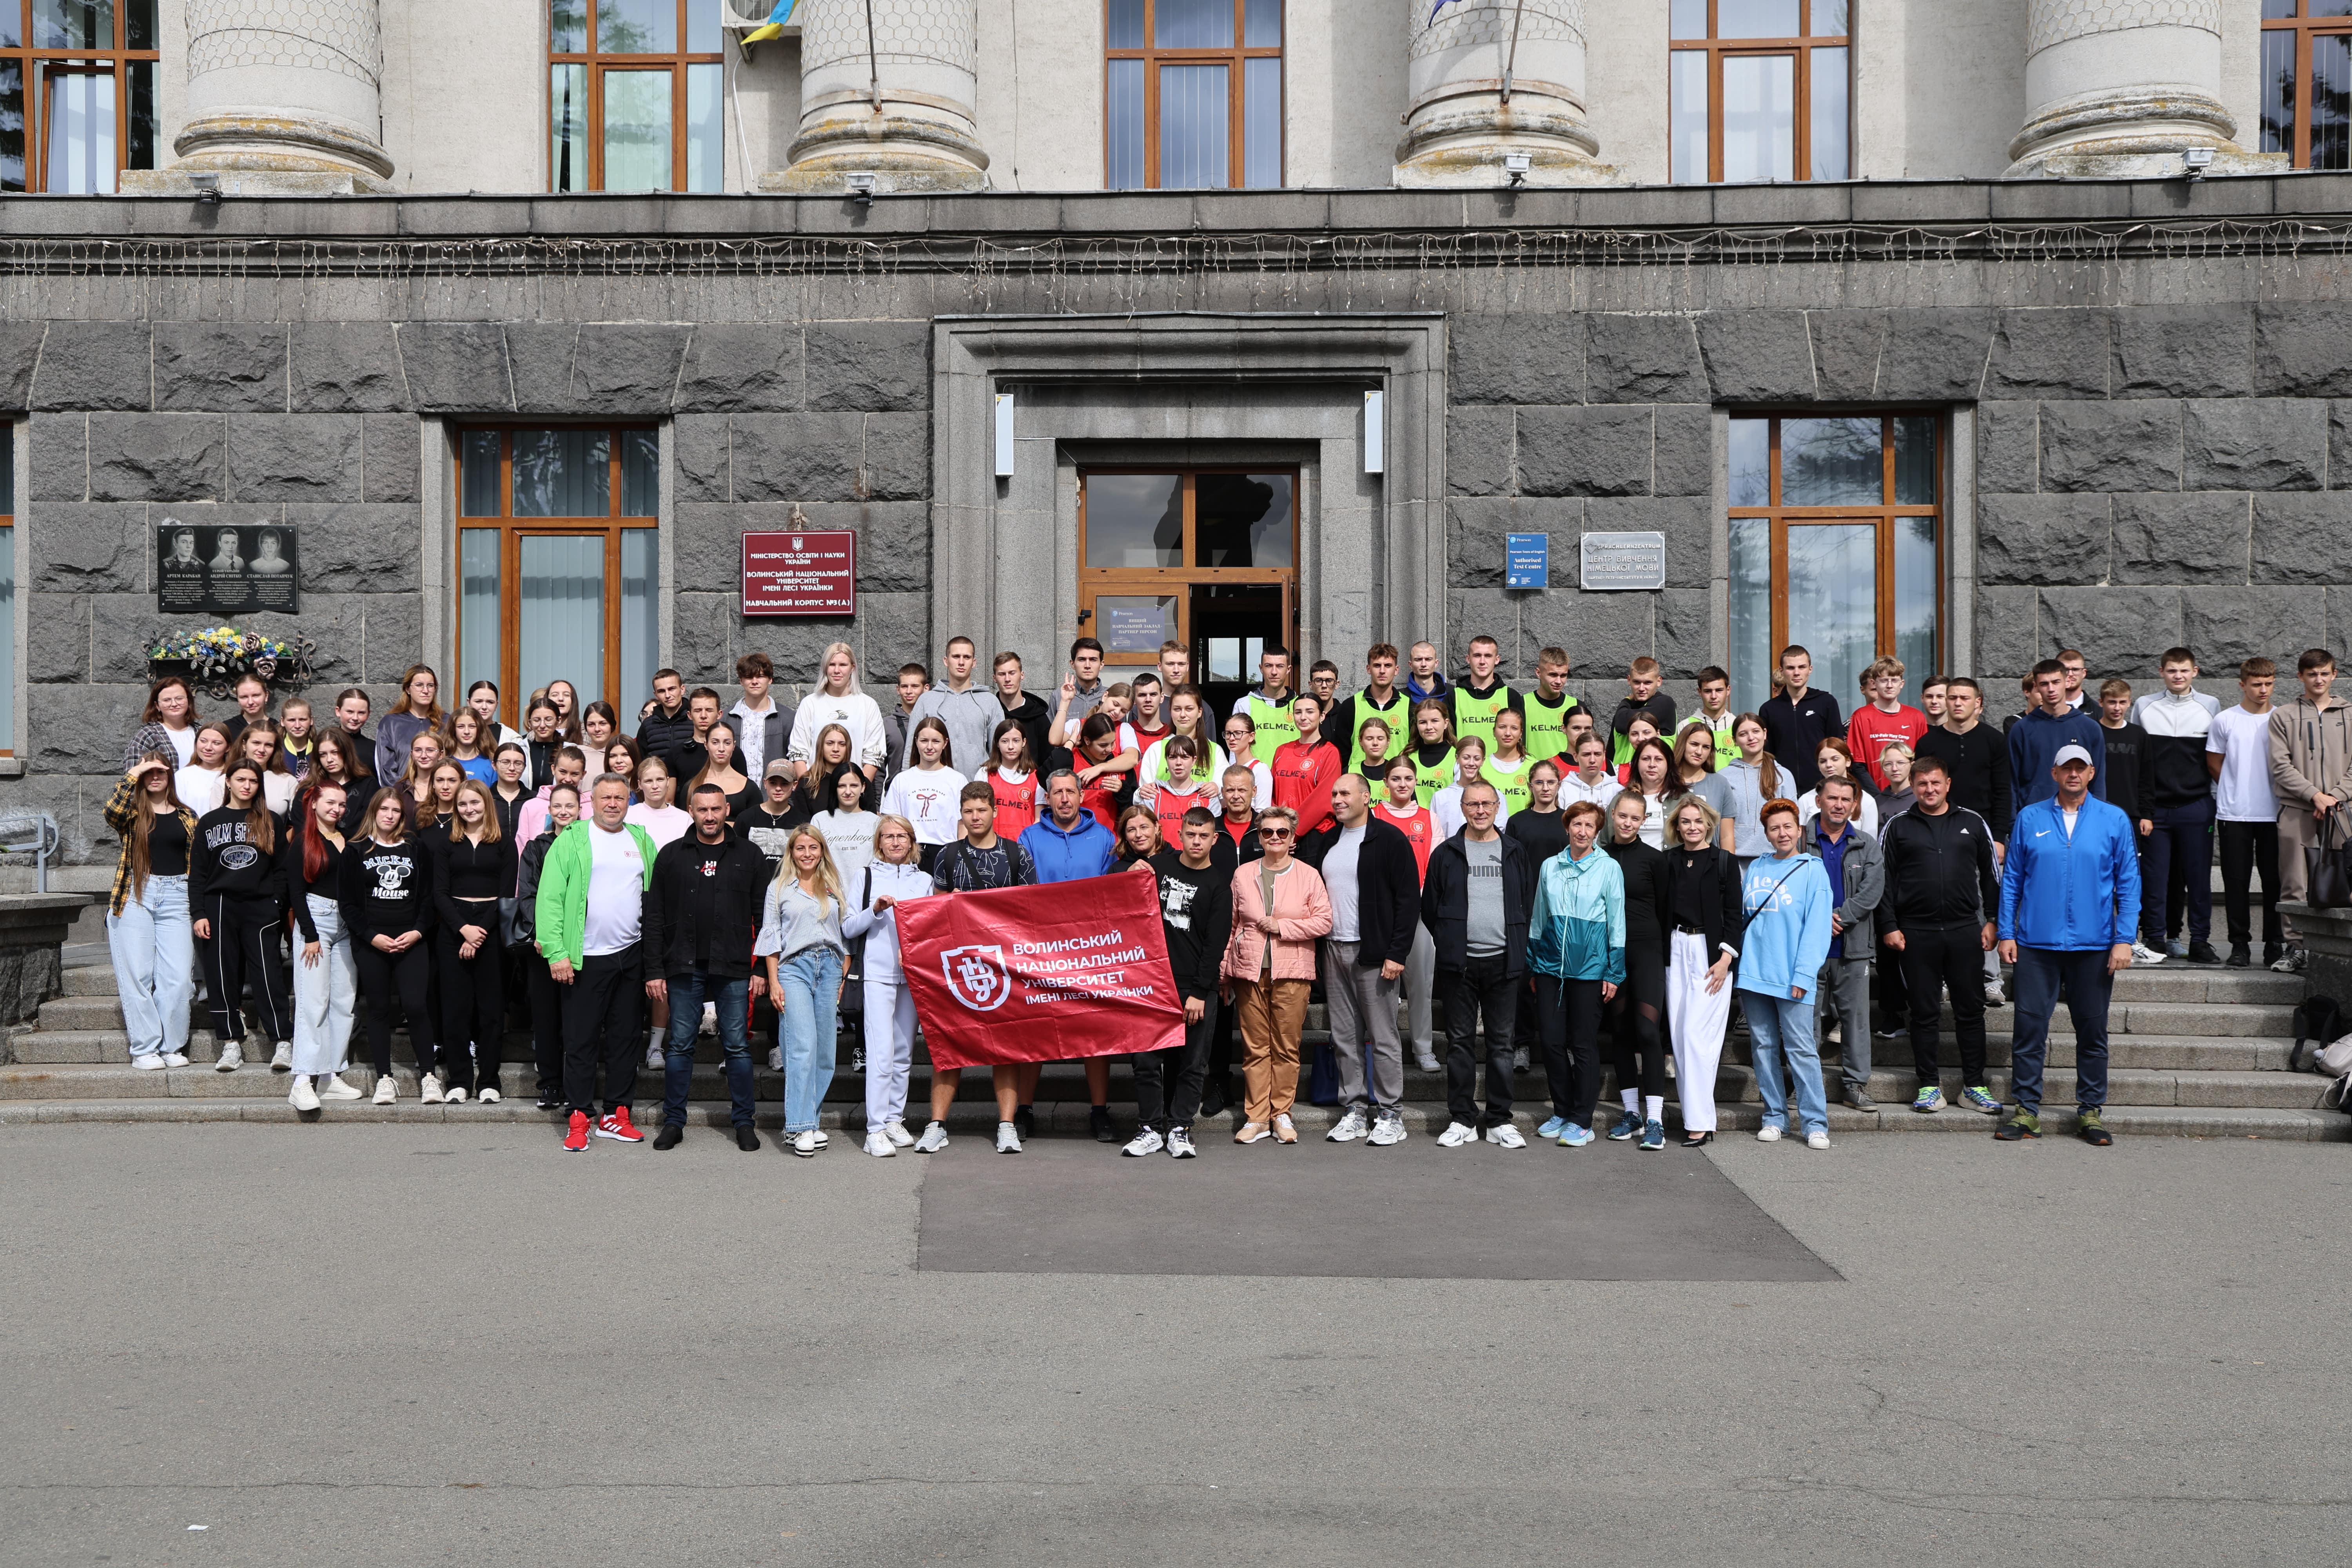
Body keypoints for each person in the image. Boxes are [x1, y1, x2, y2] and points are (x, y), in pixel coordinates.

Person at [1996, 743, 2139, 1145]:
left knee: (2092, 1031)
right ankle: (2027, 1111)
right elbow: (2013, 880)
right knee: (2029, 1030)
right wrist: (2007, 931)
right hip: (2036, 944)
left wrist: (2124, 938)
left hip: (2094, 945)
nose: (2073, 774)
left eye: (2081, 768)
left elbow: (2129, 883)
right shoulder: (2031, 817)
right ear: (2055, 773)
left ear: (2091, 773)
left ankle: (2090, 1112)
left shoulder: (2114, 819)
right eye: (2066, 768)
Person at [643, 783, 768, 1153]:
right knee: (680, 1045)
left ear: (727, 810)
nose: (710, 817)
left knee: (738, 1046)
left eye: (716, 809)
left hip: (733, 964)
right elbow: (654, 916)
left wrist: (762, 968)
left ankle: (744, 1122)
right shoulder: (671, 855)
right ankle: (674, 1122)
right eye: (703, 810)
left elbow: (764, 917)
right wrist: (654, 970)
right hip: (683, 964)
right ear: (691, 811)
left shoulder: (750, 854)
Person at [536, 775, 657, 1152]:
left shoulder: (641, 840)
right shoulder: (572, 839)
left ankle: (616, 1115)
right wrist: (557, 952)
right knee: (581, 1041)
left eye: (620, 798)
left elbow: (653, 897)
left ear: (628, 801)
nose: (613, 804)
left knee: (625, 1040)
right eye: (606, 798)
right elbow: (550, 898)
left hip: (630, 956)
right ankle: (579, 1117)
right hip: (584, 958)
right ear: (593, 802)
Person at [918, 782, 1038, 1155]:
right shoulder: (948, 855)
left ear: (995, 812)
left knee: (1006, 1048)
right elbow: (935, 911)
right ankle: (937, 1125)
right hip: (959, 964)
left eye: (982, 810)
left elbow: (1030, 910)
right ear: (961, 814)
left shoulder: (1017, 854)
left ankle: (1007, 1126)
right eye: (969, 811)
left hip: (1006, 965)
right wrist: (949, 904)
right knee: (950, 1044)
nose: (975, 817)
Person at [1878, 754, 2002, 1116]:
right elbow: (1883, 880)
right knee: (1924, 1012)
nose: (1929, 789)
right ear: (1913, 786)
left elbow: (1992, 875)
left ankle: (1974, 1086)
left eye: (1936, 783)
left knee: (1971, 1011)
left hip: (1965, 930)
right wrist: (1889, 925)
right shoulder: (1899, 826)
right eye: (1922, 784)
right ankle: (1929, 1085)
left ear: (1948, 784)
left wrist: (1993, 920)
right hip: (1916, 933)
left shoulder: (1972, 822)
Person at [1301, 775, 1420, 1146]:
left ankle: (1390, 1114)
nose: (1337, 800)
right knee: (1344, 1037)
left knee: (1383, 1038)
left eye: (1345, 793)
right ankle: (1354, 1110)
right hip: (1333, 949)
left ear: (1366, 797)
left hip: (1374, 953)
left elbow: (1408, 900)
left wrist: (1397, 953)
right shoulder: (1328, 840)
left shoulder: (1390, 839)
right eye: (1334, 794)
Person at [1017, 769, 1123, 1140]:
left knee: (1095, 1033)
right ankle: (1024, 1110)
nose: (1064, 799)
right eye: (1057, 792)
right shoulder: (1029, 837)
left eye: (1070, 792)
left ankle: (1100, 1111)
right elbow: (1022, 892)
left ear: (1081, 795)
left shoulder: (1104, 837)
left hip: (1089, 950)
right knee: (1035, 1032)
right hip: (1042, 949)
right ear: (1048, 798)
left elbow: (1113, 892)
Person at [1126, 808, 1236, 1159]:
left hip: (1195, 988)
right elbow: (1122, 896)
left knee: (1192, 1062)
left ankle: (1180, 1128)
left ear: (1214, 839)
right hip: (1153, 984)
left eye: (1204, 836)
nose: (1197, 842)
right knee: (1145, 1061)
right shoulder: (1158, 867)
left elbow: (1215, 945)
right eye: (1191, 835)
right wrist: (1130, 872)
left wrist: (1201, 992)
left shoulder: (1219, 886)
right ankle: (1149, 1128)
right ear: (1180, 835)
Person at [1220, 804, 1332, 1146]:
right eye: (1267, 832)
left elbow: (1324, 921)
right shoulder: (1243, 874)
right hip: (1249, 971)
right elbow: (1232, 925)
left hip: (1293, 971)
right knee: (1255, 1048)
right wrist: (1225, 972)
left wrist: (1282, 926)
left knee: (1286, 1047)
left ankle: (1282, 1113)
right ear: (1259, 836)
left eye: (1282, 832)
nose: (1275, 838)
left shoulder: (1308, 875)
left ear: (1292, 836)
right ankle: (1256, 1117)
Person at [1521, 796, 1619, 1147]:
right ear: (1567, 827)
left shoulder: (1609, 868)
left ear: (1597, 831)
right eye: (1577, 824)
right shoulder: (1550, 866)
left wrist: (1614, 971)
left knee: (1583, 1044)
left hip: (1590, 970)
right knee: (1550, 1041)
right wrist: (1535, 963)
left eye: (1589, 825)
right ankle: (1562, 1111)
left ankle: (1582, 1120)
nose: (1582, 831)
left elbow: (1617, 922)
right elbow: (1538, 917)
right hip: (1550, 968)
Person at [1738, 800, 1836, 1149]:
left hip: (1793, 976)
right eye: (1774, 828)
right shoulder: (1757, 867)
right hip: (1754, 973)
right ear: (1766, 834)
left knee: (1802, 1050)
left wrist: (1804, 975)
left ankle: (1815, 1123)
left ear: (1799, 830)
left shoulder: (1813, 870)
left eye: (1787, 827)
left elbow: (1818, 929)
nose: (1782, 834)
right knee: (1764, 1048)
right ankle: (1774, 1117)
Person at [191, 760, 293, 1075]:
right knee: (221, 975)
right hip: (220, 903)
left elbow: (282, 869)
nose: (247, 786)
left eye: (253, 781)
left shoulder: (270, 820)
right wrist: (198, 913)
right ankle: (231, 1041)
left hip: (260, 905)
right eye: (241, 779)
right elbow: (198, 873)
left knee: (268, 973)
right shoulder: (210, 822)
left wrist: (276, 903)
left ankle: (282, 1040)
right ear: (228, 782)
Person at [340, 788, 438, 1106]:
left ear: (402, 815)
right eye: (384, 809)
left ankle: (429, 1076)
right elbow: (348, 903)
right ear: (374, 811)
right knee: (379, 1008)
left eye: (396, 810)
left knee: (416, 1006)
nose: (390, 815)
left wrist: (418, 932)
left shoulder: (415, 847)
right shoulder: (355, 850)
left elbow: (428, 897)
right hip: (372, 943)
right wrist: (371, 936)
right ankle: (384, 1078)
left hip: (411, 940)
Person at [840, 815, 931, 1156]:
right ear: (879, 842)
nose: (895, 842)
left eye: (902, 836)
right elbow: (849, 927)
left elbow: (929, 928)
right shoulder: (864, 876)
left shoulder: (924, 880)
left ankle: (894, 1118)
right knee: (881, 1053)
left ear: (912, 841)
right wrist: (875, 910)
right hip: (877, 975)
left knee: (904, 1053)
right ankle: (875, 1129)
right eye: (888, 836)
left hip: (912, 976)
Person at [106, 753, 200, 1071]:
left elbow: (198, 863)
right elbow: (111, 810)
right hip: (137, 894)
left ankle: (171, 1046)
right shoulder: (132, 813)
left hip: (178, 896)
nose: (155, 776)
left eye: (161, 770)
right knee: (138, 976)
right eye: (149, 771)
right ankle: (144, 1049)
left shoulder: (188, 816)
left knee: (178, 979)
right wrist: (136, 771)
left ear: (171, 774)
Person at [1662, 797, 1742, 1146]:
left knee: (1697, 1037)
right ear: (1677, 827)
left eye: (1698, 821)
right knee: (1681, 1038)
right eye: (1685, 822)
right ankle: (1697, 1118)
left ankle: (1700, 1121)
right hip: (1675, 950)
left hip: (1711, 955)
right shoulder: (1668, 861)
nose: (1692, 827)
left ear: (1709, 824)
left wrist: (1726, 960)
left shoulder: (1724, 861)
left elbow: (1735, 914)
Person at [1803, 775, 1886, 1114]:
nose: (1838, 805)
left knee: (1856, 1021)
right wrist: (1820, 920)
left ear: (1854, 805)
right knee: (1805, 1020)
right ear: (1819, 800)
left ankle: (1855, 1086)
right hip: (1808, 948)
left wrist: (1837, 918)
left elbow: (1872, 891)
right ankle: (1804, 1086)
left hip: (1853, 947)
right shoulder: (1800, 841)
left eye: (1845, 800)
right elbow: (1792, 887)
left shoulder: (1867, 844)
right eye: (1832, 798)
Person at [2270, 649, 2352, 975]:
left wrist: (2333, 797)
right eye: (2312, 674)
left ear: (2334, 675)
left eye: (2324, 673)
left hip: (2341, 810)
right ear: (2301, 677)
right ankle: (2296, 947)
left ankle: (2339, 946)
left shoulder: (2350, 714)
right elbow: (2280, 766)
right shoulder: (2284, 716)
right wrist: (2315, 796)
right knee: (2295, 882)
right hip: (2297, 808)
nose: (2319, 680)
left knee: (2343, 879)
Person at [1597, 790, 1672, 1147]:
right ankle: (1631, 1114)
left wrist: (1664, 958)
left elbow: (1665, 911)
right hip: (1611, 953)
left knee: (1647, 1031)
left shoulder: (1656, 860)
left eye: (1635, 818)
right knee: (1621, 1033)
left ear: (1644, 821)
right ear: (1613, 815)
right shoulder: (1599, 856)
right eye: (1622, 816)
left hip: (1647, 951)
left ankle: (1655, 1119)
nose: (1627, 823)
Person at [281, 779, 361, 1111]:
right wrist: (310, 935)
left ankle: (330, 1075)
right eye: (331, 802)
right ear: (313, 803)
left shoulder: (349, 839)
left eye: (342, 804)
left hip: (346, 925)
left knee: (343, 1003)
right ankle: (302, 1080)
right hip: (316, 921)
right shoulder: (303, 841)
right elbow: (295, 892)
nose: (337, 809)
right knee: (313, 1002)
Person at [430, 779, 511, 1104]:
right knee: (455, 1010)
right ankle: (459, 1081)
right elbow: (439, 893)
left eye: (475, 803)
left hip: (491, 929)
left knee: (491, 1011)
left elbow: (507, 893)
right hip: (454, 929)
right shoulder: (447, 844)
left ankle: (490, 1081)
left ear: (486, 804)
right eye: (462, 804)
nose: (469, 809)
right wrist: (464, 929)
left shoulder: (504, 843)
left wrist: (478, 934)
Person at [2133, 648, 2216, 962]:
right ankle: (2155, 938)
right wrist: (2143, 808)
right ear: (2161, 672)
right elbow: (2139, 761)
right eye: (2171, 671)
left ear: (2195, 671)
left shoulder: (2210, 706)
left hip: (2197, 806)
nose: (2178, 676)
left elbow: (2214, 757)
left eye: (2183, 671)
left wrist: (2213, 802)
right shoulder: (2145, 706)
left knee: (2198, 878)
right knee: (2155, 879)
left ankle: (2200, 941)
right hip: (2157, 810)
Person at [2209, 658, 2283, 969]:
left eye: (2268, 683)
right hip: (2234, 814)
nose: (2263, 690)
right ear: (2243, 685)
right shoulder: (2225, 720)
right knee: (2236, 881)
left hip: (2275, 813)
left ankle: (2275, 944)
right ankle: (2239, 944)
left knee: (2275, 882)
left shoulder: (2282, 718)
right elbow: (2214, 762)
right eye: (2256, 684)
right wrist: (2235, 788)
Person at [510, 780, 579, 1109]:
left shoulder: (588, 844)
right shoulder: (537, 847)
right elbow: (528, 894)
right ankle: (550, 1084)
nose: (564, 812)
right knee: (547, 1017)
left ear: (580, 809)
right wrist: (543, 934)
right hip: (544, 946)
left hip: (580, 944)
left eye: (570, 806)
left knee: (577, 1019)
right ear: (549, 810)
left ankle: (576, 1085)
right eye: (558, 806)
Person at [1376, 755, 1442, 1074]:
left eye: (1408, 779)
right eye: (1396, 779)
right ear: (1386, 782)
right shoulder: (1373, 816)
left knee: (1421, 985)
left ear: (1416, 781)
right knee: (1381, 988)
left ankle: (1423, 1048)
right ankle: (1385, 1049)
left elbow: (1435, 867)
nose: (1403, 785)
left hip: (1418, 913)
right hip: (1382, 914)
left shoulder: (1429, 818)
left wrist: (1416, 900)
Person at [2010, 659, 2107, 810]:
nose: (2051, 689)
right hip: (2035, 814)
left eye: (2056, 682)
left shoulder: (2090, 728)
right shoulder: (2022, 729)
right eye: (2044, 684)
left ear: (2067, 682)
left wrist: (2098, 815)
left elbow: (2098, 780)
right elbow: (2011, 782)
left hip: (2079, 814)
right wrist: (2013, 821)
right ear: (2036, 686)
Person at [787, 642, 889, 779]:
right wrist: (807, 786)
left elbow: (874, 754)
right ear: (825, 668)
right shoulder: (810, 704)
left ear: (853, 668)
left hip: (852, 786)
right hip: (816, 785)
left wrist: (859, 786)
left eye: (843, 665)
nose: (837, 670)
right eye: (832, 665)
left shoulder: (868, 705)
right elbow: (798, 751)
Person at [907, 635, 1001, 773]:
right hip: (934, 781)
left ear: (974, 662)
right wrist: (907, 778)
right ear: (946, 661)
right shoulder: (926, 701)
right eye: (956, 657)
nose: (961, 662)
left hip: (977, 782)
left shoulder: (990, 702)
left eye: (967, 657)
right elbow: (911, 748)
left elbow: (999, 751)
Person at [882, 716, 967, 867]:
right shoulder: (902, 780)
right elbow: (892, 821)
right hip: (910, 853)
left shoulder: (957, 780)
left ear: (945, 743)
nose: (930, 747)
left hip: (947, 853)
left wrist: (961, 857)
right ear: (916, 742)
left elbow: (962, 825)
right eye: (924, 741)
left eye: (936, 741)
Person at [1760, 645, 1842, 797]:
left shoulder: (1826, 702)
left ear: (1810, 669)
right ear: (1782, 671)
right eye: (1791, 668)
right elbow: (1767, 754)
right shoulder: (1769, 709)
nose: (1796, 673)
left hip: (1821, 787)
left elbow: (1837, 747)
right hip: (1781, 788)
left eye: (1802, 667)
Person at [1328, 644, 1412, 775]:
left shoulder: (1410, 707)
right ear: (1369, 669)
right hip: (1358, 781)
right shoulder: (1351, 706)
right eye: (1377, 666)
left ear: (1396, 670)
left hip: (1398, 781)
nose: (1382, 671)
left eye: (1388, 666)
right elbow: (1341, 753)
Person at [1846, 657, 1928, 790]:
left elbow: (1922, 762)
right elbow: (1857, 764)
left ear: (1902, 684)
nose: (1890, 686)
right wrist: (1877, 797)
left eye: (1894, 681)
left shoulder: (1916, 717)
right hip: (1873, 794)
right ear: (1874, 683)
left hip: (1910, 794)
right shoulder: (1861, 716)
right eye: (1884, 681)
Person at [723, 651, 793, 785]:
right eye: (749, 677)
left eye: (760, 676)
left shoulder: (788, 718)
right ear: (741, 681)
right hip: (734, 791)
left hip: (773, 793)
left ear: (770, 679)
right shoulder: (727, 718)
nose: (755, 682)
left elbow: (794, 760)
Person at [1718, 714, 1780, 862]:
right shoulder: (1723, 777)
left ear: (1765, 734)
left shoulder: (1783, 775)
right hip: (1736, 860)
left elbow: (1793, 823)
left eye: (1756, 732)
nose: (1751, 738)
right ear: (1735, 741)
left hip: (1775, 859)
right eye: (1743, 734)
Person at [1446, 634, 1520, 757]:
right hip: (1466, 767)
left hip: (1502, 767)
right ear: (1468, 659)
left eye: (1488, 656)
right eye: (1477, 656)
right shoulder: (1453, 697)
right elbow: (1448, 741)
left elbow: (1520, 740)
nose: (1482, 662)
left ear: (1497, 660)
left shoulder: (1511, 696)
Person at [374, 665, 445, 787]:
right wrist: (401, 793)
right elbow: (386, 769)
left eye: (430, 686)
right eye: (419, 685)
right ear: (408, 689)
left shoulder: (446, 722)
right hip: (403, 794)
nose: (426, 691)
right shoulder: (391, 723)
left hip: (439, 792)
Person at [1795, 739, 1881, 837]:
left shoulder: (1866, 801)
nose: (1829, 765)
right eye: (1823, 761)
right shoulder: (1806, 800)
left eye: (1835, 759)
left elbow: (1870, 841)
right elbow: (1800, 839)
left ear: (1848, 761)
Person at [812, 767, 878, 892]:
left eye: (854, 786)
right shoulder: (819, 820)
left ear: (863, 787)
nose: (848, 792)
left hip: (867, 896)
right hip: (829, 897)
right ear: (835, 788)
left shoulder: (876, 822)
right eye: (842, 786)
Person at [1233, 646, 1301, 764]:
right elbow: (1235, 747)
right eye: (1269, 666)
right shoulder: (1245, 704)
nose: (1274, 672)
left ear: (1289, 669)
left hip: (1292, 772)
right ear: (1261, 668)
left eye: (1280, 666)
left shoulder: (1300, 705)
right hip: (1254, 774)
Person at [1607, 655, 1676, 769]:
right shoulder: (1624, 711)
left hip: (1652, 774)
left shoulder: (1665, 703)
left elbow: (1622, 725)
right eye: (1637, 682)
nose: (1642, 688)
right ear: (1629, 680)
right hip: (1619, 776)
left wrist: (1626, 700)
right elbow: (1611, 749)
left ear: (1659, 682)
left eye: (1648, 683)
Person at [125, 674, 201, 770]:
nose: (174, 704)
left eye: (179, 699)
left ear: (188, 701)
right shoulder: (148, 735)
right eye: (167, 700)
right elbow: (132, 774)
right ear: (157, 706)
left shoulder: (201, 732)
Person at [991, 650, 1054, 766]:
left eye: (1012, 673)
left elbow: (1048, 759)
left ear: (1022, 675)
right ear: (995, 678)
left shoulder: (1039, 717)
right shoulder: (990, 712)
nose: (1007, 679)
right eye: (1002, 674)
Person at [982, 719, 1041, 842]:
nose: (1011, 747)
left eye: (1016, 741)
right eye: (1005, 741)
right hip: (993, 844)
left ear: (1024, 742)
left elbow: (1038, 820)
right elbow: (980, 812)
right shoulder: (986, 773)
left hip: (1024, 845)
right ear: (997, 744)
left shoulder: (1036, 777)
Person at [687, 720, 756, 815]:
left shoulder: (750, 788)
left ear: (734, 746)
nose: (721, 749)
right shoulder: (691, 786)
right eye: (715, 743)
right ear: (706, 745)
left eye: (727, 743)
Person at [1619, 737, 1676, 850]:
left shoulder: (1682, 800)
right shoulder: (1621, 800)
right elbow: (1605, 840)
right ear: (1637, 763)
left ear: (1669, 764)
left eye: (1659, 759)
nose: (1652, 765)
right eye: (1646, 759)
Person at [1481, 708, 1537, 817]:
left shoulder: (1534, 766)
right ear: (1494, 731)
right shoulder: (1481, 766)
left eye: (1514, 728)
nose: (1508, 733)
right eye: (1502, 727)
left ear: (1521, 733)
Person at [236, 720, 300, 815]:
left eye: (268, 745)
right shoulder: (226, 779)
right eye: (256, 743)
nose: (262, 750)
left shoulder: (288, 781)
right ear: (244, 745)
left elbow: (300, 820)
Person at [1405, 700, 1458, 806]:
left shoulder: (1458, 758)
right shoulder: (1408, 756)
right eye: (1423, 722)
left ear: (1446, 723)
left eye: (1435, 721)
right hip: (1413, 817)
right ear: (1417, 725)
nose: (1429, 727)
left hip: (1444, 817)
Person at [176, 722, 234, 817]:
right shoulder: (183, 776)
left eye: (216, 743)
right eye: (203, 741)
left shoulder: (234, 775)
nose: (208, 748)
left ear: (228, 748)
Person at [1560, 731, 1623, 815]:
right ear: (1576, 757)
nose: (1592, 760)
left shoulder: (1618, 791)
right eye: (1586, 755)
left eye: (1597, 754)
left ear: (1604, 755)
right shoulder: (1563, 790)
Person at [1221, 712, 1275, 809]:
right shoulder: (1229, 769)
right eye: (1228, 734)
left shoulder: (1260, 770)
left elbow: (1263, 810)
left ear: (1251, 737)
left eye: (1238, 733)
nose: (1232, 738)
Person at [1692, 666, 1739, 768]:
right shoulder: (1686, 726)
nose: (1714, 696)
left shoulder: (1739, 727)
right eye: (1708, 691)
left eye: (1719, 690)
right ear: (1700, 692)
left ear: (1728, 690)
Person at [218, 672, 274, 743]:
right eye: (244, 697)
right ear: (238, 699)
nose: (250, 702)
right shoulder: (227, 729)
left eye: (256, 696)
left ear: (266, 696)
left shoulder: (278, 729)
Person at [1405, 641, 1450, 705]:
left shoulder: (1452, 693)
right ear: (1411, 664)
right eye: (1418, 660)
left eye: (1428, 659)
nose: (1424, 664)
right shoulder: (1401, 697)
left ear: (1436, 663)